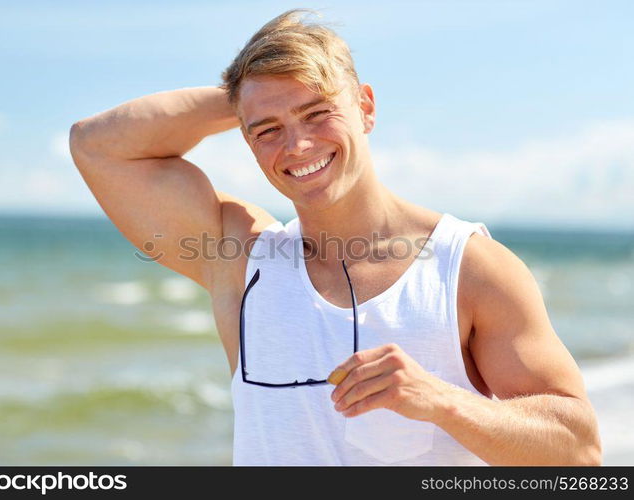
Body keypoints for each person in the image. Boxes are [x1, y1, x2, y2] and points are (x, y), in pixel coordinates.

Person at [69, 9, 601, 466]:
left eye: (317, 112)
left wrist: (443, 401)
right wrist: (246, 95)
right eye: (267, 129)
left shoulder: (469, 267)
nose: (297, 145)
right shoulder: (241, 259)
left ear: (365, 107)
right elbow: (97, 146)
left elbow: (577, 450)